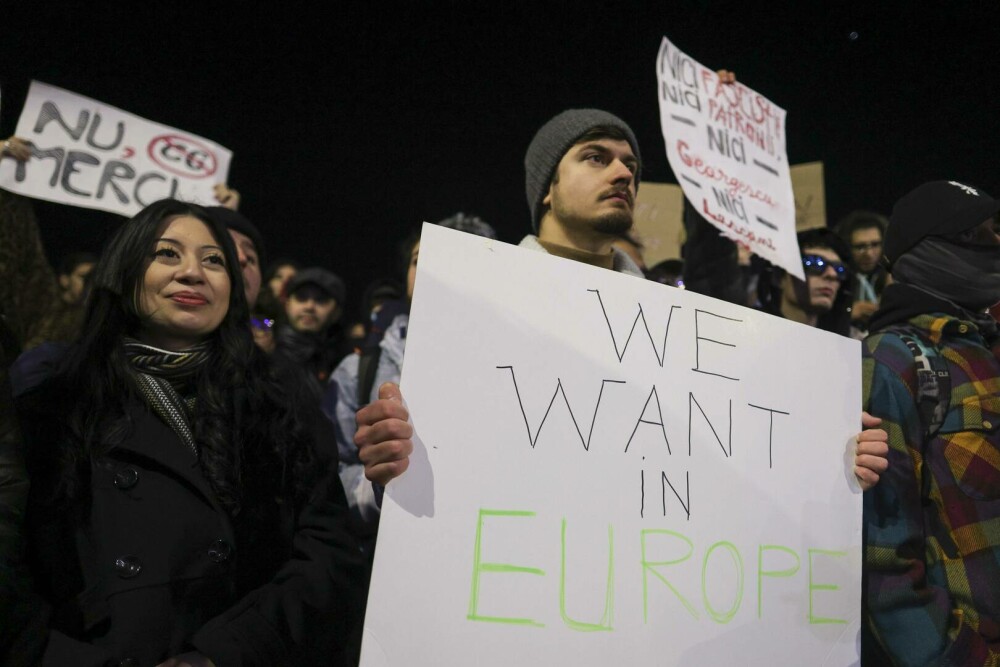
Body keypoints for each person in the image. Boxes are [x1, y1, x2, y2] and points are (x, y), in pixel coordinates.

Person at [354, 108, 888, 499]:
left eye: (629, 164)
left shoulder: (675, 327)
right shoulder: (464, 306)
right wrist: (382, 470)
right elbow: (376, 479)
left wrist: (830, 456)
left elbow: (725, 453)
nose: (623, 174)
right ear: (547, 186)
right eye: (595, 158)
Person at [13, 199, 365, 666]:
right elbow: (14, 580)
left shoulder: (280, 406)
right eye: (167, 254)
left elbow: (329, 555)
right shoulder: (53, 407)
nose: (193, 273)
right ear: (124, 270)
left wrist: (222, 654)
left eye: (213, 261)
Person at [862, 180, 1000, 665]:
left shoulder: (985, 349)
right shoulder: (894, 362)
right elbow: (883, 553)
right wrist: (953, 655)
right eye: (980, 236)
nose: (996, 247)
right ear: (930, 251)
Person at [759, 227, 853, 336]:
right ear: (780, 277)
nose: (832, 274)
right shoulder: (750, 331)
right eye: (814, 263)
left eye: (839, 269)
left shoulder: (851, 345)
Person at [272, 267, 347, 403]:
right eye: (301, 297)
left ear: (336, 312)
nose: (309, 306)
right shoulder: (265, 353)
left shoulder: (345, 361)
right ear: (287, 304)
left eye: (321, 300)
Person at [836, 210, 891, 337]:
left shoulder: (894, 274)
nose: (869, 254)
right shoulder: (834, 276)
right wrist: (849, 312)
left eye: (875, 244)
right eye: (860, 247)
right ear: (847, 247)